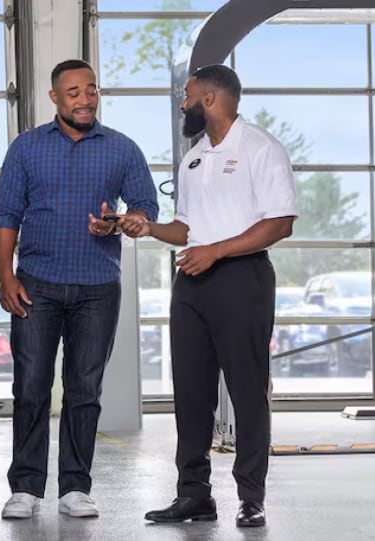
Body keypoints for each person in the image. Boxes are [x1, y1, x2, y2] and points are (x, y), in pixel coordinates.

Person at [119, 64, 297, 528]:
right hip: (192, 283)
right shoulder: (193, 157)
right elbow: (186, 229)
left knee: (246, 391)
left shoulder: (261, 148)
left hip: (243, 279)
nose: (183, 103)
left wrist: (216, 251)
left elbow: (280, 222)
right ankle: (194, 494)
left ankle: (251, 497)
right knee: (192, 393)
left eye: (188, 95)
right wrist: (148, 227)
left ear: (211, 99)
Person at [0, 59, 159, 519]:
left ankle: (75, 488)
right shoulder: (26, 149)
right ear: (54, 98)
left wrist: (122, 224)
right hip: (36, 287)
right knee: (30, 387)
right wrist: (6, 277)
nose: (85, 99)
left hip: (98, 289)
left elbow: (146, 206)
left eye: (91, 90)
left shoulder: (122, 150)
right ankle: (25, 487)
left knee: (84, 390)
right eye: (73, 92)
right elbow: (6, 215)